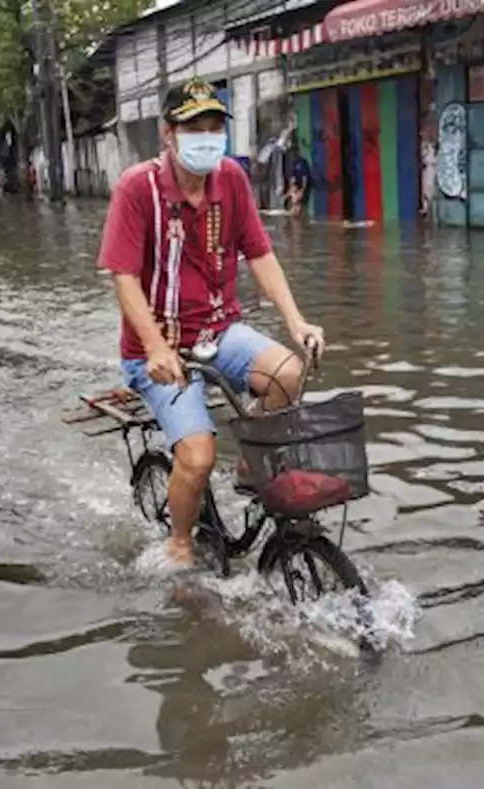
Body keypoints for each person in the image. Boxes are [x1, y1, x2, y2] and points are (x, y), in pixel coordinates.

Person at [98, 78, 325, 569]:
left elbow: (260, 254)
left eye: (214, 126)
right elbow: (124, 277)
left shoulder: (231, 179)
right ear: (168, 134)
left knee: (289, 371)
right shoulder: (138, 189)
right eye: (193, 127)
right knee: (198, 456)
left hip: (220, 332)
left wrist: (297, 321)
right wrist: (156, 347)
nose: (206, 137)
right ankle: (180, 542)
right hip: (160, 349)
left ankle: (250, 464)